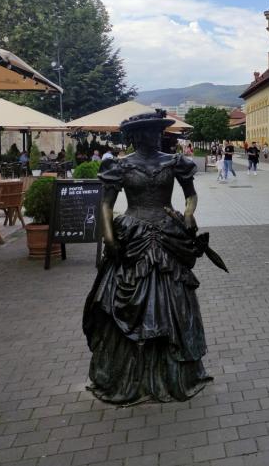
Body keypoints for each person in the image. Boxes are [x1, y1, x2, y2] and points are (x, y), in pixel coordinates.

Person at [83, 110, 213, 404]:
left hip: (167, 233)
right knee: (127, 301)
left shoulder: (175, 162)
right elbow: (106, 205)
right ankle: (129, 374)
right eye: (146, 133)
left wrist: (189, 215)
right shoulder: (119, 166)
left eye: (156, 132)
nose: (152, 137)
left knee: (176, 300)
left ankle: (174, 372)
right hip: (134, 236)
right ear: (134, 137)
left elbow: (190, 195)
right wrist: (109, 238)